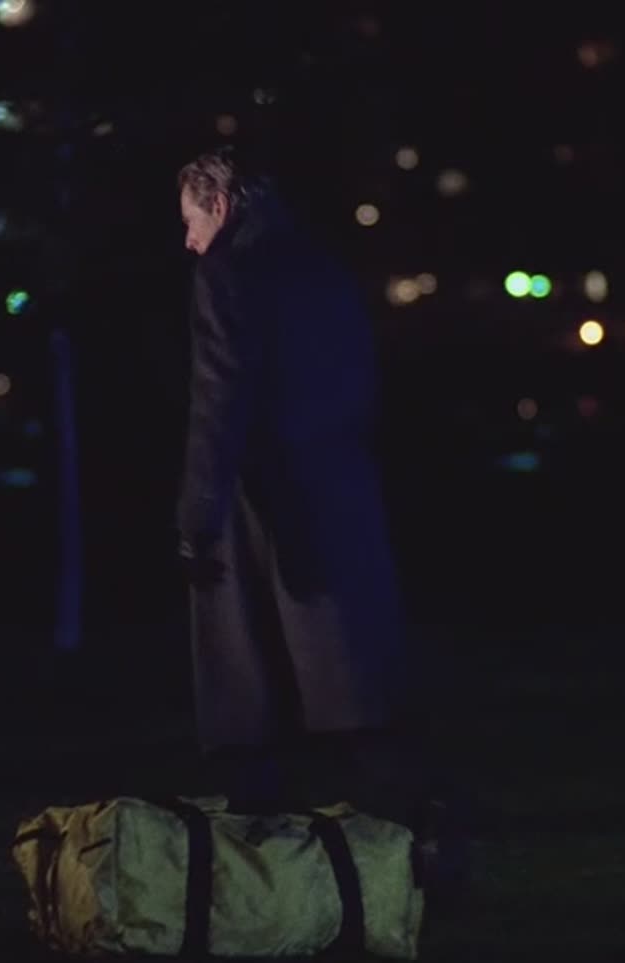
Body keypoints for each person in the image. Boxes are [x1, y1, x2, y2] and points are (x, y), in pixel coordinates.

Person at [174, 149, 466, 892]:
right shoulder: (320, 267)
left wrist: (198, 512)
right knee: (349, 687)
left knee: (247, 694)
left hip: (262, 509)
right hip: (336, 489)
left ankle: (258, 872)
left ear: (220, 206)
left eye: (191, 220)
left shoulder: (229, 272)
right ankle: (419, 831)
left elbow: (219, 399)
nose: (188, 239)